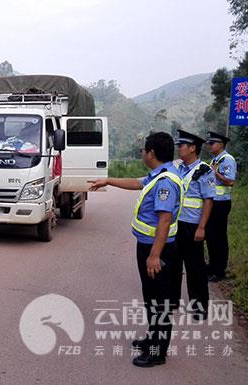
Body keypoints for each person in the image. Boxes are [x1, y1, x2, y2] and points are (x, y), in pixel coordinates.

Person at [90, 132, 182, 368]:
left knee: (159, 302)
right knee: (152, 299)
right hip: (150, 247)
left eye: (143, 150)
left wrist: (155, 255)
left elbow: (164, 220)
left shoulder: (165, 182)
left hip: (156, 249)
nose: (142, 153)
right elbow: (137, 182)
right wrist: (108, 180)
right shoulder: (160, 175)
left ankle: (157, 352)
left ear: (151, 153)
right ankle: (152, 340)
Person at [174, 130, 215, 320]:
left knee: (195, 267)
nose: (179, 148)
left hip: (192, 225)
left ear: (192, 148)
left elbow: (208, 200)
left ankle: (199, 307)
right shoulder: (179, 168)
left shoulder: (205, 171)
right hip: (176, 224)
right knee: (173, 264)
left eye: (182, 145)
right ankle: (172, 301)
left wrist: (202, 227)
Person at [204, 131, 236, 282]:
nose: (210, 145)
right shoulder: (215, 160)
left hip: (221, 203)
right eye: (209, 143)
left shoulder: (227, 159)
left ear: (221, 144)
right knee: (211, 236)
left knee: (219, 237)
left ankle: (220, 270)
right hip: (213, 202)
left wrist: (216, 174)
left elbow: (230, 181)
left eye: (212, 143)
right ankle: (212, 267)